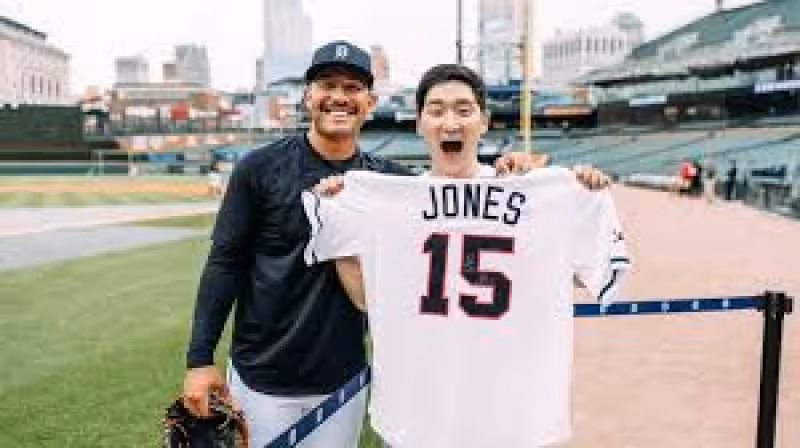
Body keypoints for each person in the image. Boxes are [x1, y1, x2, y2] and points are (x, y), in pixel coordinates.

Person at [182, 42, 551, 448]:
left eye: (353, 87)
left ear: (370, 102)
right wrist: (199, 359)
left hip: (344, 379)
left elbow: (461, 216)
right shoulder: (259, 168)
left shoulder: (393, 186)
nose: (339, 96)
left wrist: (512, 179)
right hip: (263, 376)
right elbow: (225, 263)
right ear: (308, 96)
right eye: (327, 84)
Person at [306, 64, 629, 447]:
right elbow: (364, 298)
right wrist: (342, 226)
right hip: (422, 412)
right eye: (437, 109)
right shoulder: (391, 205)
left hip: (504, 414)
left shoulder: (531, 197)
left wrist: (581, 196)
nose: (450, 122)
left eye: (463, 109)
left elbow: (576, 274)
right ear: (419, 123)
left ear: (484, 121)